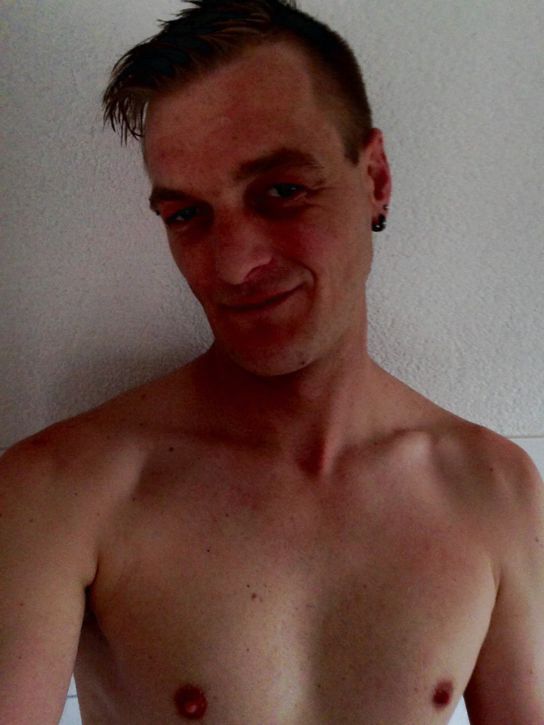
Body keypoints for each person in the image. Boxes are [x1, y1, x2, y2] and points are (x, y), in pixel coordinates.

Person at [1, 0, 543, 722]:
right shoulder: (60, 491)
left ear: (375, 178)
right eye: (186, 215)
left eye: (282, 192)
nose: (232, 265)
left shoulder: (493, 489)